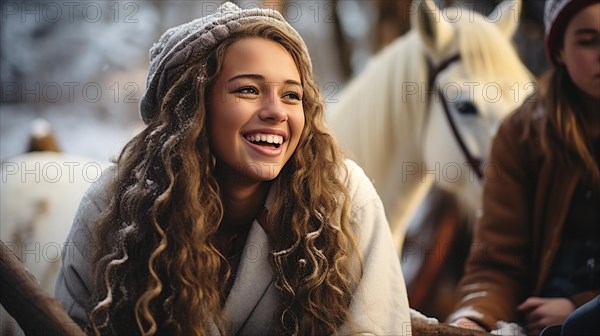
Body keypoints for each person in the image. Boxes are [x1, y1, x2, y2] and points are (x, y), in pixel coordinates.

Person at [54, 2, 411, 335]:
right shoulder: (113, 206)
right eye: (248, 90)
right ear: (192, 108)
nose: (277, 111)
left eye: (291, 95)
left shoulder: (343, 200)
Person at [448, 0, 600, 335]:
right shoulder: (521, 133)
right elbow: (497, 262)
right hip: (542, 320)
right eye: (588, 41)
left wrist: (581, 307)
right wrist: (473, 319)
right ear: (558, 49)